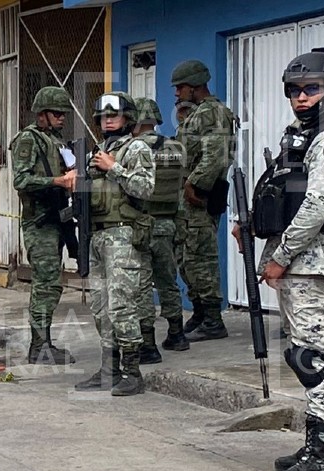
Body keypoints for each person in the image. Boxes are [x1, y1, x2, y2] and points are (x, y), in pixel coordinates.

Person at [250, 51, 324, 471]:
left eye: (311, 89)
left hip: (313, 259)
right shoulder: (301, 136)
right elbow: (284, 194)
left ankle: (323, 451)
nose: (301, 98)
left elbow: (317, 206)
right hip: (295, 259)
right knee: (301, 352)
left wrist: (281, 255)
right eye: (294, 91)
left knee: (313, 357)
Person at [74, 92, 156, 397]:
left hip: (122, 235)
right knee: (100, 308)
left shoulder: (136, 149)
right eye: (103, 116)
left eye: (114, 115)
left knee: (122, 305)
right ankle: (108, 369)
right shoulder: (97, 151)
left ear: (128, 119)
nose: (108, 120)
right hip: (97, 236)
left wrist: (114, 168)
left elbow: (146, 189)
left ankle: (132, 372)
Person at [9, 86, 78, 365]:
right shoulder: (29, 139)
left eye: (64, 113)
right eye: (57, 113)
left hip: (56, 219)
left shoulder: (56, 140)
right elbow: (21, 180)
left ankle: (44, 343)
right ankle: (39, 346)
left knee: (52, 284)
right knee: (46, 284)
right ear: (42, 115)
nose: (62, 117)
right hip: (39, 223)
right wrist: (57, 182)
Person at [171, 59, 236, 342]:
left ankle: (213, 319)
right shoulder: (197, 113)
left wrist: (194, 184)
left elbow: (217, 155)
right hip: (185, 199)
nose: (176, 93)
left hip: (198, 197)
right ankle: (199, 310)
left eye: (180, 87)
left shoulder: (213, 112)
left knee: (201, 258)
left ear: (195, 86)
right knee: (185, 258)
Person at [131, 97, 189, 362]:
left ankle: (148, 344)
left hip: (141, 224)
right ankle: (177, 334)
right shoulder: (176, 148)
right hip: (168, 224)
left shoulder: (132, 149)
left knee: (142, 286)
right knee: (168, 280)